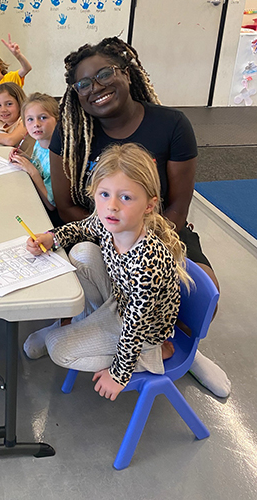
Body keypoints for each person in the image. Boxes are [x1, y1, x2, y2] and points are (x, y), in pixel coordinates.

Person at [47, 36, 230, 397]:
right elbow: (66, 204)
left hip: (161, 230)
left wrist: (142, 245)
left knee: (202, 294)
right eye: (84, 84)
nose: (96, 88)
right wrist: (111, 236)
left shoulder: (172, 125)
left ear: (126, 74)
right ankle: (94, 324)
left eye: (104, 75)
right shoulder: (71, 133)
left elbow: (178, 205)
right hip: (97, 228)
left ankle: (177, 350)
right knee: (86, 262)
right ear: (76, 94)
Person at [24, 144, 193, 401]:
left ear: (149, 205)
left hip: (142, 330)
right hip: (119, 300)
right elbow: (83, 227)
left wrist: (118, 374)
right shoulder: (108, 223)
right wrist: (51, 237)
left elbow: (135, 327)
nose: (111, 206)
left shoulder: (148, 262)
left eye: (125, 197)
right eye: (104, 194)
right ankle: (87, 322)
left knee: (59, 348)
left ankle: (154, 355)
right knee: (81, 252)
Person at [9, 92, 61, 224]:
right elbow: (39, 166)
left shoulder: (58, 155)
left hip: (48, 216)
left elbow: (52, 205)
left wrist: (31, 170)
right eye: (30, 119)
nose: (36, 124)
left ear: (57, 120)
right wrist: (24, 157)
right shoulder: (40, 142)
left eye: (43, 117)